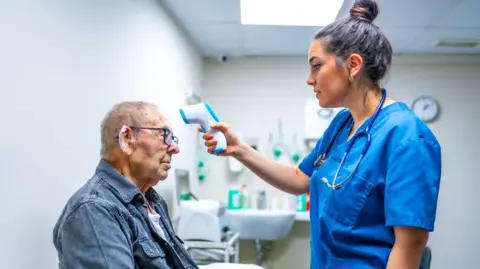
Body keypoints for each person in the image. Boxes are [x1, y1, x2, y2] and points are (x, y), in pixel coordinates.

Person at [199, 0, 442, 268]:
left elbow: (410, 245)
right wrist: (239, 150)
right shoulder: (341, 124)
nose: (309, 79)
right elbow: (300, 179)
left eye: (316, 66)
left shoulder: (407, 137)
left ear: (353, 65)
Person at [53, 101, 198, 269]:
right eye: (163, 134)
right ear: (127, 139)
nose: (174, 148)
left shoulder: (154, 201)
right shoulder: (95, 209)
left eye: (172, 138)